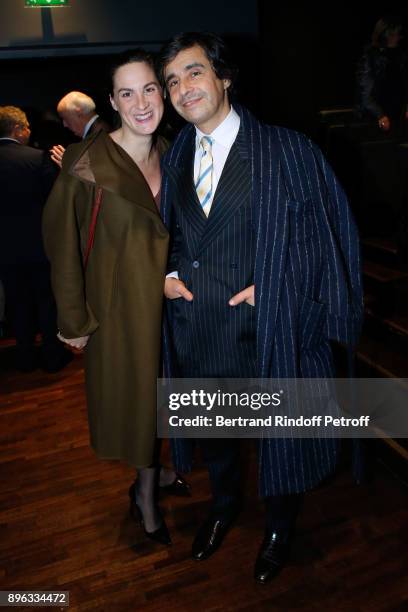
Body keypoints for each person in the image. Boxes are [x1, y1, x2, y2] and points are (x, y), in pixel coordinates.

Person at [158, 32, 363, 583]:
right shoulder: (177, 154)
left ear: (224, 78)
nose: (183, 88)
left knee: (282, 438)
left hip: (270, 328)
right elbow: (172, 236)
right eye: (173, 80)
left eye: (194, 72)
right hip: (198, 326)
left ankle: (279, 526)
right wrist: (170, 275)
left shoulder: (287, 148)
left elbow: (329, 240)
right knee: (216, 436)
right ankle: (223, 507)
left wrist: (279, 289)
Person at [43, 50, 189, 546]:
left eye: (149, 88)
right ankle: (145, 495)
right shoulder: (88, 165)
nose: (141, 102)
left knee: (166, 402)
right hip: (121, 315)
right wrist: (74, 321)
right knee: (139, 407)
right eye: (127, 92)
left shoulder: (173, 150)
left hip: (176, 312)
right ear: (112, 101)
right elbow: (61, 243)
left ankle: (156, 473)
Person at [0, 105, 72, 372]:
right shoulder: (37, 158)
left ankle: (25, 357)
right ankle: (52, 355)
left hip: (5, 250)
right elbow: (55, 202)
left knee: (17, 303)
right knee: (46, 300)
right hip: (39, 245)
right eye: (27, 126)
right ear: (17, 130)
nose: (29, 131)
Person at [356, 15, 408, 133]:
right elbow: (365, 94)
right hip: (375, 122)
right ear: (386, 35)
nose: (398, 38)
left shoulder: (400, 56)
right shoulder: (370, 58)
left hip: (396, 118)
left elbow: (402, 85)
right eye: (394, 34)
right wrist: (380, 115)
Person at [50, 91, 110, 167]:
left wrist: (70, 167)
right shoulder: (99, 129)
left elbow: (103, 175)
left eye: (65, 118)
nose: (65, 125)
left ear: (79, 113)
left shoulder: (100, 136)